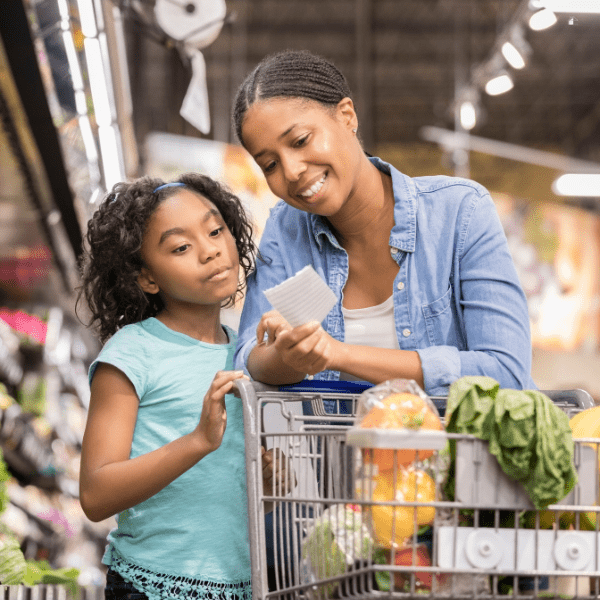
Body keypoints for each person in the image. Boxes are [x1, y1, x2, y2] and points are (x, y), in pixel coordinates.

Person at [232, 49, 537, 397]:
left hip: (462, 451)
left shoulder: (460, 212)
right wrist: (285, 355)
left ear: (347, 116)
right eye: (269, 164)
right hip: (334, 453)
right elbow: (246, 363)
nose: (291, 171)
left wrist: (338, 354)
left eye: (300, 141)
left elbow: (505, 371)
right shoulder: (286, 231)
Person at [77, 173, 261, 600]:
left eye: (216, 230)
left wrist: (275, 474)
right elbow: (95, 493)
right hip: (149, 585)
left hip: (240, 586)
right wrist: (197, 441)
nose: (211, 250)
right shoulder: (131, 352)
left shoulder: (246, 351)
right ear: (147, 279)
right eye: (181, 247)